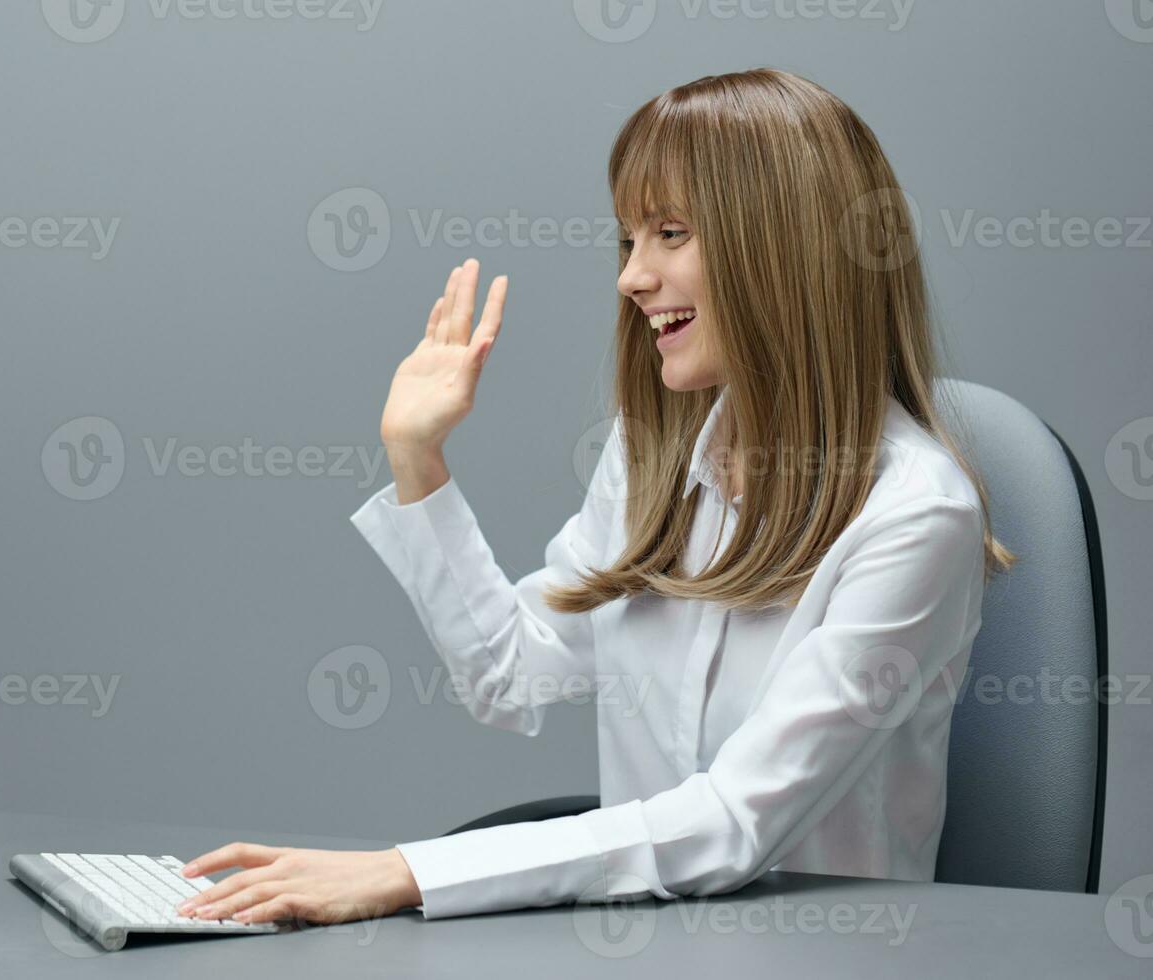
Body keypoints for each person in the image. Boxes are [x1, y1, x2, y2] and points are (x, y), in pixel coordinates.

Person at [174, 67, 1015, 927]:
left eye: (671, 233)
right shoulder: (654, 455)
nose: (632, 278)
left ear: (785, 247)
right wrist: (416, 457)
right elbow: (510, 675)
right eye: (627, 241)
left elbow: (734, 823)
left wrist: (404, 872)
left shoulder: (915, 516)